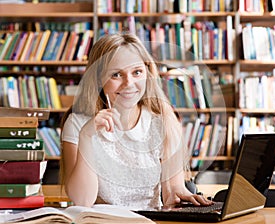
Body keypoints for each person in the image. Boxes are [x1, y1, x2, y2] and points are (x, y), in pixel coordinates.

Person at [60, 32, 212, 209]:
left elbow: (174, 190)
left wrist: (182, 196)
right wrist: (86, 136)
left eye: (137, 72)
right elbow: (83, 201)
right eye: (116, 74)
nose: (129, 83)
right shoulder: (78, 124)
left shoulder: (162, 120)